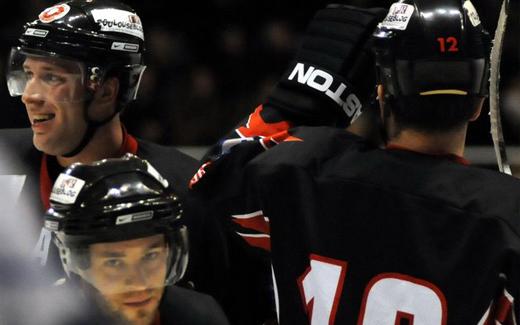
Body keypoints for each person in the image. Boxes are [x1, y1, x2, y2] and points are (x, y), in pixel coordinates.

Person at [192, 0, 520, 323]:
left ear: (380, 94)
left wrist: (303, 95)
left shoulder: (302, 169)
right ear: (479, 103)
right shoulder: (506, 215)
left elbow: (207, 184)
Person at [0, 0, 226, 299]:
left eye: (52, 77)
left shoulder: (186, 190)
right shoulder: (4, 163)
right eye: (29, 75)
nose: (30, 96)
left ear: (107, 91)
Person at [43, 154, 230, 325]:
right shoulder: (36, 317)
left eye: (151, 256)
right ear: (77, 263)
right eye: (114, 262)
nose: (139, 282)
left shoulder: (199, 315)